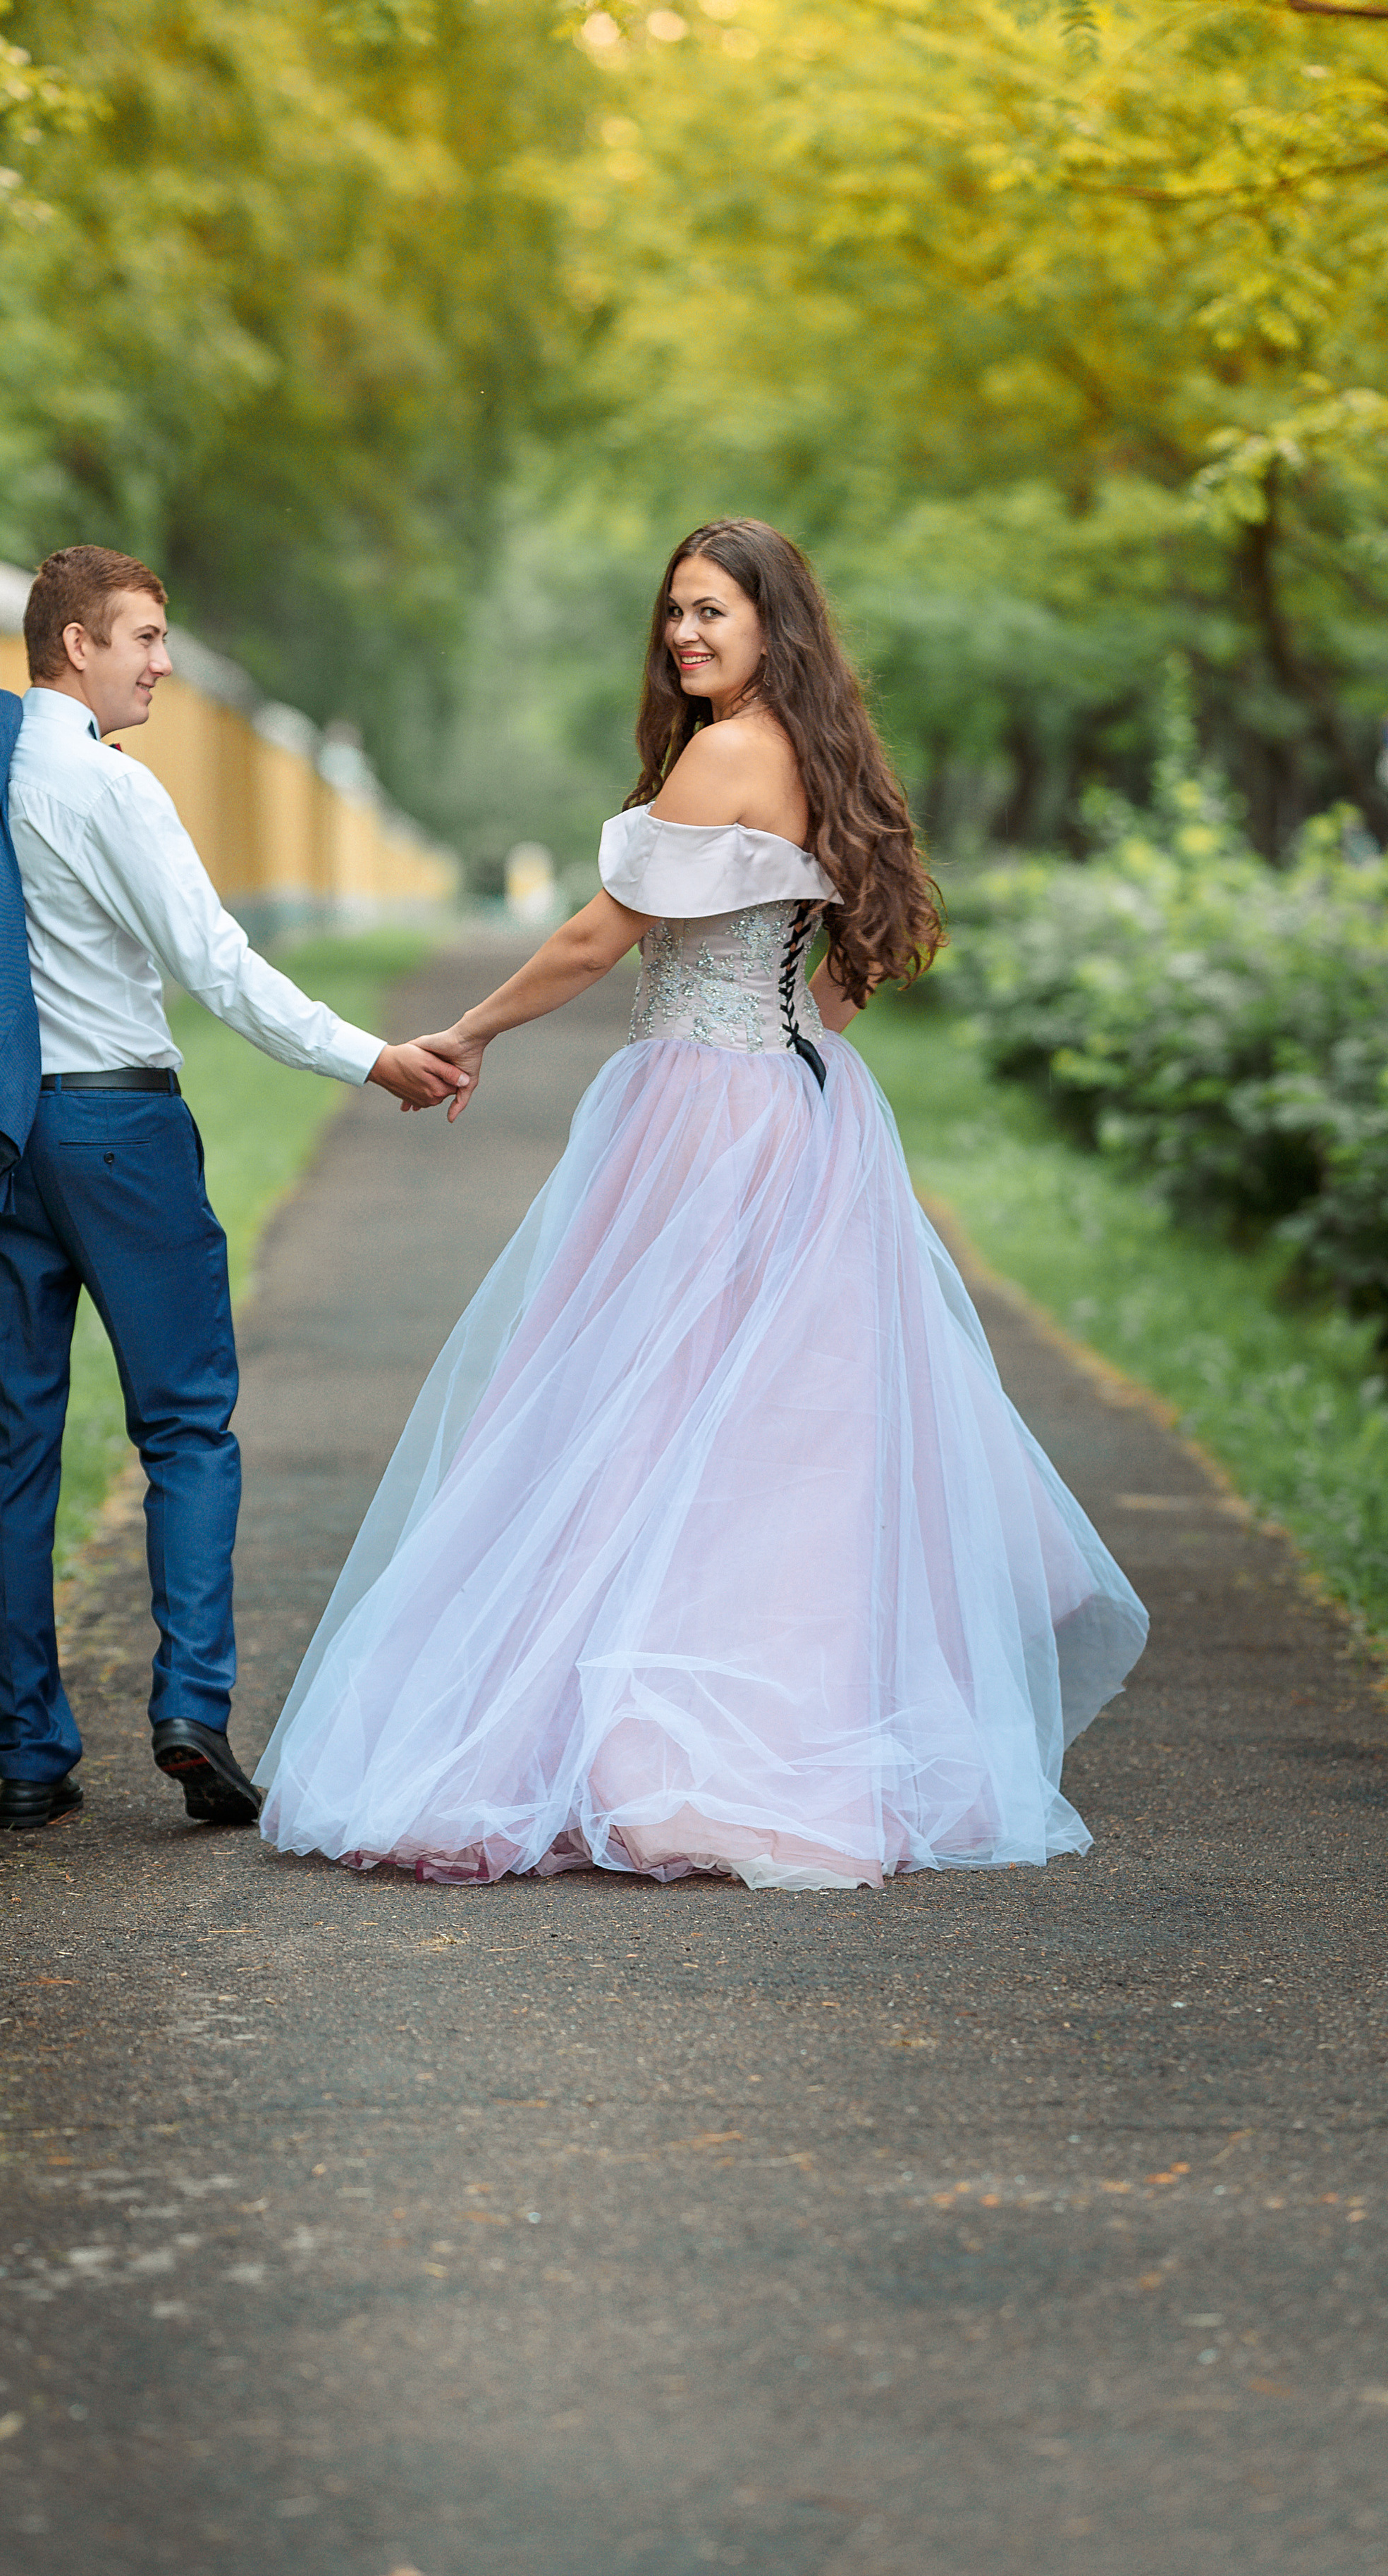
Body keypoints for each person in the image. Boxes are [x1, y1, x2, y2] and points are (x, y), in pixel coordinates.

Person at [257, 519, 1148, 1889]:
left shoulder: (726, 751)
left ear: (771, 622)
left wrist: (473, 1030)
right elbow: (843, 979)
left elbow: (595, 933)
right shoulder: (820, 755)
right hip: (795, 1108)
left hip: (699, 1114)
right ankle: (758, 1735)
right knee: (757, 1436)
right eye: (672, 610)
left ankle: (644, 1742)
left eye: (711, 611)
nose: (683, 633)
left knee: (634, 1410)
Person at [0, 546, 464, 1835]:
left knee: (10, 1448)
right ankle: (190, 1708)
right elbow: (219, 969)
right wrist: (373, 1057)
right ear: (75, 645)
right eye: (143, 639)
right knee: (186, 1424)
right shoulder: (107, 789)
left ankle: (27, 1753)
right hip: (117, 1131)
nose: (162, 663)